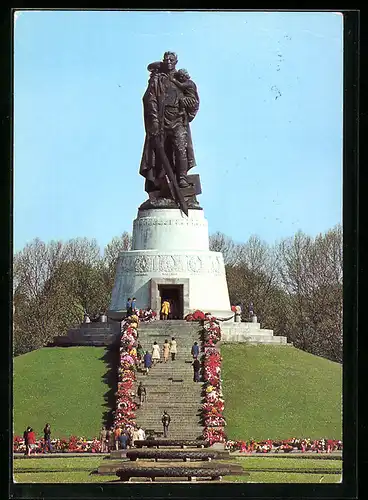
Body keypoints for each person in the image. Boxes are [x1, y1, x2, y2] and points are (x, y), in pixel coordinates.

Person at [140, 51, 200, 194]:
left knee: (180, 148)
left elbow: (194, 100)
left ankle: (182, 178)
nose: (168, 62)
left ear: (176, 62)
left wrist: (184, 103)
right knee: (161, 152)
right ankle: (161, 182)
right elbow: (149, 99)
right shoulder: (157, 79)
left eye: (171, 59)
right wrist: (154, 120)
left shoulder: (182, 79)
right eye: (166, 59)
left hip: (178, 120)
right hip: (161, 121)